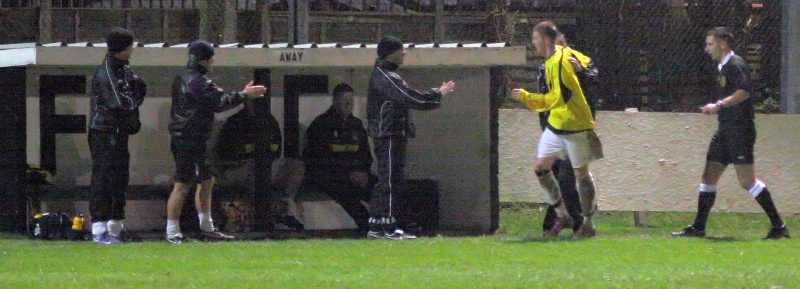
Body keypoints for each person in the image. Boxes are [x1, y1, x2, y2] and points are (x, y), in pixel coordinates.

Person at [672, 27, 789, 239]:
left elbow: (744, 92)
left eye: (710, 44)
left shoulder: (736, 64)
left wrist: (719, 104)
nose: (706, 49)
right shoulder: (722, 66)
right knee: (708, 176)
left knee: (747, 182)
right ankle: (699, 228)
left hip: (740, 130)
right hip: (725, 130)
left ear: (723, 43)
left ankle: (779, 226)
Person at [165, 40, 267, 244]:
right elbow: (219, 103)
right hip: (191, 138)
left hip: (186, 136)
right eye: (212, 57)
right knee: (183, 184)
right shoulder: (199, 81)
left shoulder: (181, 77)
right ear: (205, 59)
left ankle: (206, 227)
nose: (213, 61)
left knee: (205, 180)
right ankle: (172, 231)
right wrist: (245, 95)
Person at [511, 22, 602, 238]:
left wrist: (527, 97)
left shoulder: (561, 60)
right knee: (542, 169)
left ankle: (588, 223)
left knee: (581, 175)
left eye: (535, 38)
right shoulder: (553, 59)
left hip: (575, 125)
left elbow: (560, 98)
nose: (533, 43)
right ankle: (563, 215)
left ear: (544, 39)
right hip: (555, 124)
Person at [366, 36, 456, 240]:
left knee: (390, 180)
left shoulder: (384, 75)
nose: (404, 53)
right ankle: (387, 228)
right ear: (391, 53)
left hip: (391, 134)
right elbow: (411, 97)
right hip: (388, 135)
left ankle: (377, 226)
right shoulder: (387, 77)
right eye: (401, 50)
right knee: (389, 180)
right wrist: (437, 94)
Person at [88, 27, 146, 244]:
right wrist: (135, 101)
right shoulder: (107, 71)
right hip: (104, 131)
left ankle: (115, 228)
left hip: (119, 132)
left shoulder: (124, 69)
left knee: (119, 178)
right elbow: (120, 102)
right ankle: (99, 229)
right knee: (104, 177)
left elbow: (139, 88)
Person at [539, 28, 600, 234]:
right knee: (548, 172)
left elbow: (593, 84)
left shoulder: (580, 61)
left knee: (570, 177)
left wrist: (581, 72)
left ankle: (582, 220)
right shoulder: (547, 66)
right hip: (556, 128)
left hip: (575, 129)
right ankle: (564, 218)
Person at [303, 83, 373, 231]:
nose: (349, 104)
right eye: (344, 100)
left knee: (380, 188)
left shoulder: (356, 125)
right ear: (334, 101)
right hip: (329, 176)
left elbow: (366, 155)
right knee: (345, 193)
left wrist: (363, 173)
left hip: (356, 175)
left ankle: (393, 224)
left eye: (351, 100)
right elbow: (317, 159)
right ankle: (367, 226)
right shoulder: (321, 125)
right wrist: (347, 174)